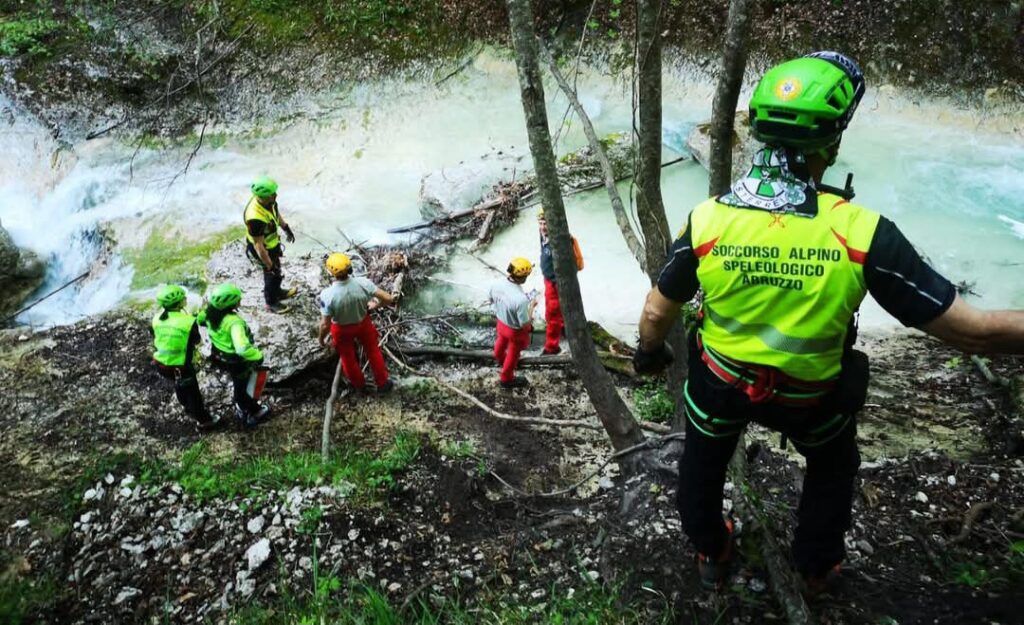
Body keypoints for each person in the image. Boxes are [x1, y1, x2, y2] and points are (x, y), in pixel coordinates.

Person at [633, 51, 1024, 595]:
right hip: (810, 398)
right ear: (833, 145)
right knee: (832, 467)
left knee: (701, 462)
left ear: (756, 133)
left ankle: (713, 550)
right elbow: (971, 330)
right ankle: (816, 570)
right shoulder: (862, 234)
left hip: (722, 385)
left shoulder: (710, 219)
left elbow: (656, 311)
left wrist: (649, 353)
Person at [317, 252, 397, 393]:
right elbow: (389, 298)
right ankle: (383, 383)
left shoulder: (327, 295)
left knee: (347, 357)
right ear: (349, 268)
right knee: (373, 351)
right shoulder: (363, 283)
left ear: (330, 273)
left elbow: (325, 324)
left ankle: (359, 385)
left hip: (342, 329)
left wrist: (321, 339)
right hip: (363, 323)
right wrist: (376, 305)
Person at [198, 283, 271, 428]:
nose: (240, 301)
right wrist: (257, 355)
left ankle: (244, 405)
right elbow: (242, 348)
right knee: (242, 387)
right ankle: (249, 411)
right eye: (238, 299)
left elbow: (200, 321)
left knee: (239, 384)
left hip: (220, 355)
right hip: (236, 361)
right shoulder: (234, 323)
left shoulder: (208, 313)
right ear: (230, 303)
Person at [150, 285, 220, 431]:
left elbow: (155, 335)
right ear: (178, 303)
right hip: (180, 366)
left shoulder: (157, 318)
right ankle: (204, 421)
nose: (186, 299)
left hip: (161, 364)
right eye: (184, 298)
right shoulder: (187, 322)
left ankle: (187, 408)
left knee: (178, 385)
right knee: (193, 393)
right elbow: (196, 340)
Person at [244, 175, 297, 313]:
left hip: (272, 244)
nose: (276, 195)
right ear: (263, 196)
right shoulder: (255, 217)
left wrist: (286, 227)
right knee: (270, 274)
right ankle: (271, 303)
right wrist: (269, 264)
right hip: (263, 249)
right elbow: (258, 246)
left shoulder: (269, 201)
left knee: (277, 270)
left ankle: (278, 291)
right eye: (272, 194)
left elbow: (275, 213)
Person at [537, 207, 584, 355]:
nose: (543, 227)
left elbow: (571, 266)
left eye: (546, 223)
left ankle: (552, 347)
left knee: (552, 315)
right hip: (548, 279)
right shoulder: (543, 235)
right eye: (541, 223)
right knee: (552, 310)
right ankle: (563, 325)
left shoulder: (561, 243)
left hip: (556, 283)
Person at [489, 257, 537, 389]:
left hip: (500, 323)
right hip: (514, 331)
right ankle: (506, 378)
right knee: (514, 353)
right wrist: (532, 307)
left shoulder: (496, 284)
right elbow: (524, 323)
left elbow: (491, 300)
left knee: (501, 342)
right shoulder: (521, 299)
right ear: (523, 277)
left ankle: (500, 358)